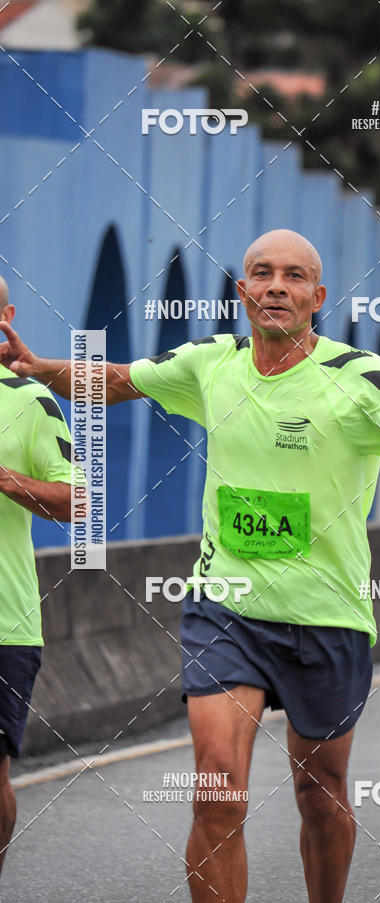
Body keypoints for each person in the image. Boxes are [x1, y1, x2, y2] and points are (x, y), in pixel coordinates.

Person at [0, 230, 380, 902]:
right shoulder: (211, 362)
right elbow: (118, 381)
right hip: (225, 607)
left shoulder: (359, 379)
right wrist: (40, 368)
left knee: (320, 793)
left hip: (326, 615)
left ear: (316, 296)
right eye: (262, 273)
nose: (277, 285)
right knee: (216, 790)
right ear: (242, 291)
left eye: (294, 276)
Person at [0, 276, 75, 876]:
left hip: (5, 622)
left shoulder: (31, 400)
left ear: (7, 315)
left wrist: (6, 479)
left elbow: (82, 501)